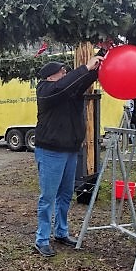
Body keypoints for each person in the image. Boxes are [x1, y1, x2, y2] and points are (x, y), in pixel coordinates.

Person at [33, 56, 102, 257]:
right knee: (48, 198)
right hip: (50, 152)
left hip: (70, 150)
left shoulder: (68, 90)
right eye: (61, 71)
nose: (65, 73)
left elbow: (80, 80)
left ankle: (61, 232)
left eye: (65, 71)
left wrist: (99, 64)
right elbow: (64, 84)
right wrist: (85, 67)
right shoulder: (45, 90)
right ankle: (42, 239)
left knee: (65, 195)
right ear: (50, 76)